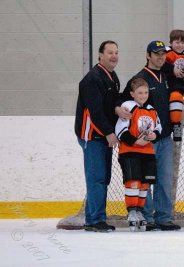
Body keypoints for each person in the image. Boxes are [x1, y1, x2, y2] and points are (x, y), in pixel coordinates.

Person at [116, 40, 181, 231]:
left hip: (164, 137)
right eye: (156, 53)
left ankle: (164, 218)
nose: (160, 57)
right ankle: (147, 217)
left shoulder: (169, 74)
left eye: (163, 54)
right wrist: (118, 108)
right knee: (146, 179)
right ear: (148, 55)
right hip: (144, 142)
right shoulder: (140, 77)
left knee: (165, 179)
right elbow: (122, 99)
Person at [74, 40, 120, 232]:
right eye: (110, 52)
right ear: (100, 55)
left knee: (104, 177)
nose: (114, 56)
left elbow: (112, 104)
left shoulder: (112, 76)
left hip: (104, 136)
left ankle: (97, 216)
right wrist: (109, 133)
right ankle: (93, 219)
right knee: (96, 177)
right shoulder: (92, 79)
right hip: (92, 136)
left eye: (116, 52)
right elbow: (95, 112)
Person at [115, 78, 161, 232]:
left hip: (147, 152)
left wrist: (155, 135)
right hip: (130, 152)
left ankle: (140, 212)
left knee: (144, 184)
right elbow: (120, 130)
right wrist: (136, 142)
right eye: (139, 92)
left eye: (146, 92)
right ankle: (132, 212)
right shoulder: (128, 107)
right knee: (133, 181)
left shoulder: (152, 109)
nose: (143, 95)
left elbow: (158, 127)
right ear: (132, 93)